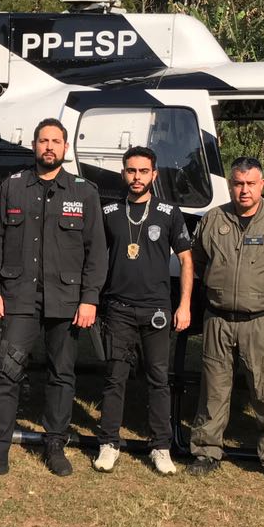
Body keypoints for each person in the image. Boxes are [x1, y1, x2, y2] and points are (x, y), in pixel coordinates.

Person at [0, 118, 106, 483]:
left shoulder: (84, 192)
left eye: (55, 141)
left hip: (66, 301)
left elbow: (96, 251)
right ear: (34, 145)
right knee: (6, 372)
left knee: (61, 375)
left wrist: (90, 298)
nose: (49, 147)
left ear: (65, 148)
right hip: (19, 298)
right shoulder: (13, 186)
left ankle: (55, 445)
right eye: (43, 140)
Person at [189, 156, 264, 482]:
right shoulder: (213, 219)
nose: (244, 190)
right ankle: (206, 450)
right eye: (238, 184)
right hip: (218, 319)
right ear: (230, 185)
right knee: (214, 388)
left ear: (262, 185)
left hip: (263, 320)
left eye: (251, 184)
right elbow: (198, 259)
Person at [93, 146, 193, 476]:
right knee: (115, 378)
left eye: (143, 171)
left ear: (154, 174)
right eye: (131, 171)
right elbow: (95, 258)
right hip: (118, 308)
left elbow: (186, 260)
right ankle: (109, 443)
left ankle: (161, 447)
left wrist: (184, 305)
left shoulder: (168, 212)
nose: (137, 177)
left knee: (158, 380)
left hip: (157, 310)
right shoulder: (109, 212)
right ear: (123, 173)